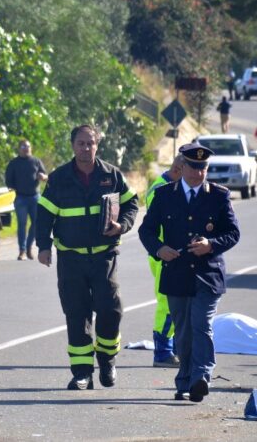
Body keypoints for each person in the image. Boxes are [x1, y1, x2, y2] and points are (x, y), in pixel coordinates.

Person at [36, 124, 139, 390]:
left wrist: (122, 226)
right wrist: (43, 246)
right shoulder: (59, 178)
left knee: (110, 310)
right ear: (73, 145)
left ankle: (107, 362)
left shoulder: (111, 175)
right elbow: (44, 213)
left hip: (105, 257)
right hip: (71, 259)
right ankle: (82, 372)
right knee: (76, 313)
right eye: (81, 143)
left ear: (97, 145)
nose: (86, 148)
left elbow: (131, 204)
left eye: (90, 143)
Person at [137, 143, 240, 403]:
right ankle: (184, 381)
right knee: (182, 331)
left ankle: (201, 377)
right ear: (182, 167)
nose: (199, 173)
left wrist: (211, 245)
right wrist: (159, 249)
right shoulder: (164, 195)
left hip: (208, 274)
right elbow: (146, 231)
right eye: (194, 167)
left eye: (203, 167)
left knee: (201, 325)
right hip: (177, 273)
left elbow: (233, 233)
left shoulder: (218, 196)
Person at [144, 154, 186, 368]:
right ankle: (162, 352)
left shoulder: (172, 186)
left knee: (180, 302)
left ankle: (178, 349)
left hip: (172, 253)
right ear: (179, 169)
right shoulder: (160, 190)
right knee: (167, 304)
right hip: (163, 255)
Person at [5, 139, 48, 260]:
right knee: (22, 225)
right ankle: (22, 251)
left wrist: (42, 176)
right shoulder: (14, 163)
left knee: (36, 224)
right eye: (23, 147)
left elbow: (45, 176)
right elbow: (8, 180)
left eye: (28, 146)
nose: (26, 148)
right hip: (21, 198)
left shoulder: (35, 161)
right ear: (19, 149)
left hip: (35, 197)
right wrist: (12, 188)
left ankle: (29, 247)